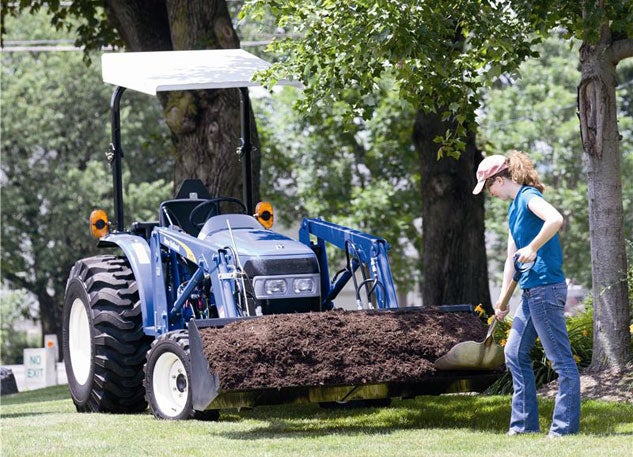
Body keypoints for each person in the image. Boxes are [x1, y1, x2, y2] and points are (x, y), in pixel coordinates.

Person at [473, 151, 580, 437]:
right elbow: (511, 258)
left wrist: (533, 247)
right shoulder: (512, 210)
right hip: (531, 293)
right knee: (514, 353)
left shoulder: (529, 197)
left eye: (488, 187)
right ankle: (523, 426)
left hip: (546, 288)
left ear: (498, 179)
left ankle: (563, 431)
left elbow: (554, 219)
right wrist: (502, 301)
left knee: (561, 362)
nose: (489, 194)